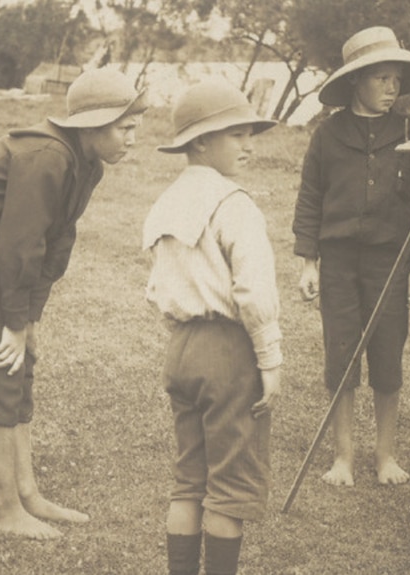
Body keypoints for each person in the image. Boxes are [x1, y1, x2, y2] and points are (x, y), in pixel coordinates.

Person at [0, 66, 147, 539]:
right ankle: (3, 508)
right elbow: (19, 245)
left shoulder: (88, 163)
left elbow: (56, 241)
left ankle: (27, 494)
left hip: (1, 241)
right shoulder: (47, 156)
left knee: (22, 358)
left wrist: (30, 318)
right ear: (93, 125)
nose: (135, 136)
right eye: (126, 127)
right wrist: (11, 322)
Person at [143, 79, 282, 575]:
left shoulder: (165, 203)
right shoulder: (234, 203)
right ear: (200, 141)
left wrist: (183, 331)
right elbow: (255, 291)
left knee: (189, 481)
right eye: (236, 135)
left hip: (180, 348)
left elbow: (158, 287)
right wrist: (270, 358)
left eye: (249, 135)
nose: (248, 146)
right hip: (227, 351)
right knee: (228, 489)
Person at [292, 26, 410, 487]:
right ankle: (343, 458)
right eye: (381, 79)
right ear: (356, 81)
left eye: (396, 80)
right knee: (341, 355)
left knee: (388, 355)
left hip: (390, 264)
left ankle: (386, 456)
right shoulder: (328, 134)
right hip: (337, 262)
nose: (391, 89)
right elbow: (310, 198)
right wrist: (308, 262)